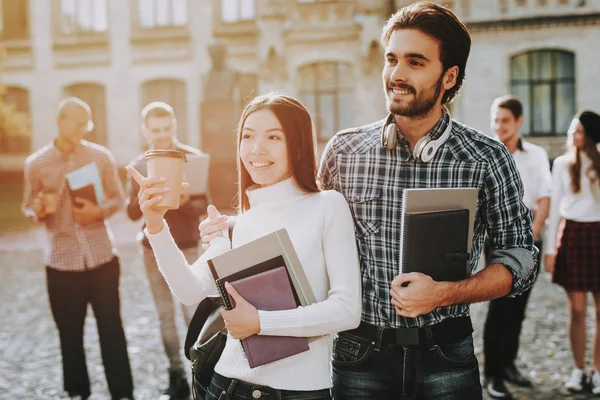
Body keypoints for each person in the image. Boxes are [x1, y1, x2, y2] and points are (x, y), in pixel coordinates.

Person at [317, 2, 537, 399]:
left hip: (447, 355)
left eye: (415, 62)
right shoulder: (343, 152)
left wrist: (445, 293)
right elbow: (309, 244)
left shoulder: (487, 158)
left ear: (449, 76)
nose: (396, 74)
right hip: (358, 355)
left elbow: (519, 261)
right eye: (391, 59)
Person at [126, 93, 361, 400]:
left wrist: (261, 322)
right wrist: (155, 224)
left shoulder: (327, 206)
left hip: (302, 391)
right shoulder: (240, 224)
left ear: (300, 146)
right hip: (229, 386)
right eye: (248, 136)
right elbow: (189, 290)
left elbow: (347, 311)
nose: (256, 149)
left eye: (273, 136)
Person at [21, 97, 134, 400]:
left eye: (87, 123)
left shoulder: (100, 157)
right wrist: (40, 209)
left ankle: (123, 392)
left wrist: (98, 213)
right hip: (61, 264)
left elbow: (118, 198)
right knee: (70, 335)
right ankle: (77, 393)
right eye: (78, 122)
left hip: (102, 258)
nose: (84, 128)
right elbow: (28, 208)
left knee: (112, 328)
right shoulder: (36, 164)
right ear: (60, 121)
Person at [126, 102, 210, 399]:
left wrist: (186, 200)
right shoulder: (138, 165)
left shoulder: (193, 159)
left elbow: (204, 205)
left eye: (166, 129)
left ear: (174, 126)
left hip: (187, 245)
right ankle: (175, 372)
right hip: (152, 249)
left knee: (192, 312)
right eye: (155, 130)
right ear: (145, 130)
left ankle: (198, 369)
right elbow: (131, 214)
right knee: (164, 315)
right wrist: (142, 199)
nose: (161, 136)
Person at [482, 95, 552, 399]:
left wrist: (532, 238)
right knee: (499, 306)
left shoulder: (535, 155)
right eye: (495, 120)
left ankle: (508, 364)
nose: (499, 127)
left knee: (519, 307)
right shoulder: (487, 154)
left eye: (505, 120)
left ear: (519, 121)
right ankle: (492, 375)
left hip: (529, 237)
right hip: (496, 240)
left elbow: (545, 198)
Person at [544, 110, 600, 394]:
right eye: (572, 131)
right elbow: (554, 209)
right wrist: (551, 250)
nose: (573, 136)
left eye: (578, 131)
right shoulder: (563, 164)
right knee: (577, 310)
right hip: (574, 235)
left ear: (590, 135)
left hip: (598, 234)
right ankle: (578, 370)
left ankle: (598, 371)